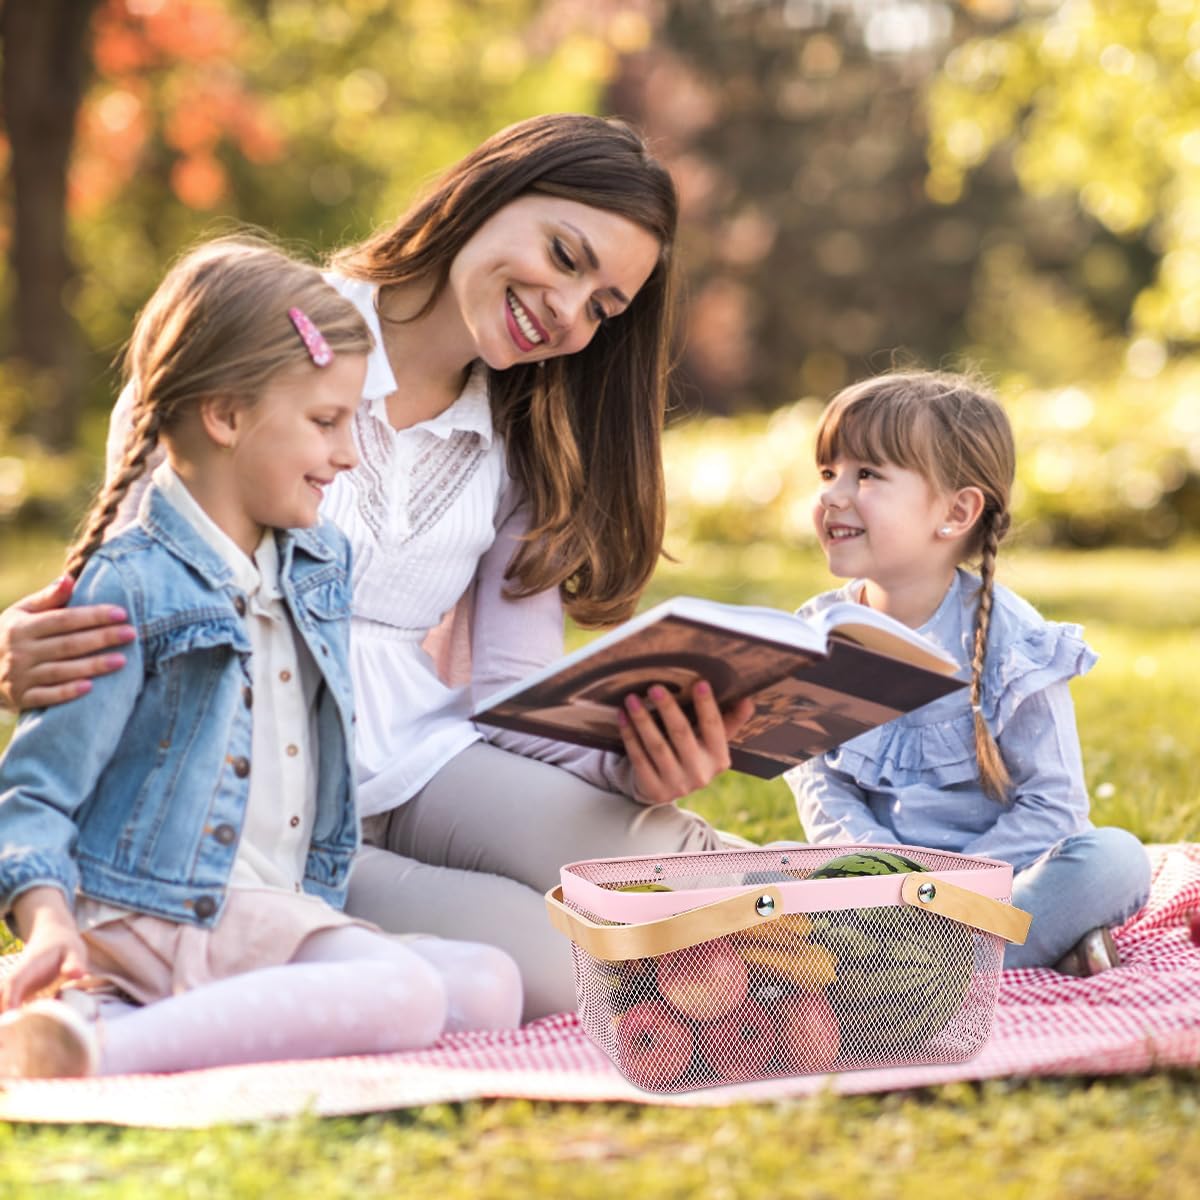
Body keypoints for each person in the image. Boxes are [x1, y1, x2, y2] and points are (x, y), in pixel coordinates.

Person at [0, 115, 752, 1019]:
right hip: (267, 790)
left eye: (602, 306)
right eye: (563, 254)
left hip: (426, 761)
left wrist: (636, 755)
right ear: (488, 192)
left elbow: (510, 691)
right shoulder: (267, 327)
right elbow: (139, 563)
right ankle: (281, 957)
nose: (567, 306)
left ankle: (878, 974)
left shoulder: (520, 435)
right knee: (560, 966)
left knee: (687, 872)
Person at [0, 238, 521, 1079]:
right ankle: (93, 1051)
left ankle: (103, 1006)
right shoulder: (131, 586)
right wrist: (52, 922)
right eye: (325, 422)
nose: (349, 454)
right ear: (227, 415)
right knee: (409, 998)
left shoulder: (317, 568)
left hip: (268, 904)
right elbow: (35, 791)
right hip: (158, 907)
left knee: (491, 985)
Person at [785, 370, 1151, 974]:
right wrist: (887, 875)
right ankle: (994, 959)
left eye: (867, 475)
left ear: (956, 512)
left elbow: (1053, 807)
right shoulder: (820, 635)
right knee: (760, 865)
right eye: (829, 473)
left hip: (998, 880)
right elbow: (821, 787)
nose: (832, 495)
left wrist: (944, 890)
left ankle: (919, 969)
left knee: (1115, 860)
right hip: (874, 888)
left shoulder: (1012, 640)